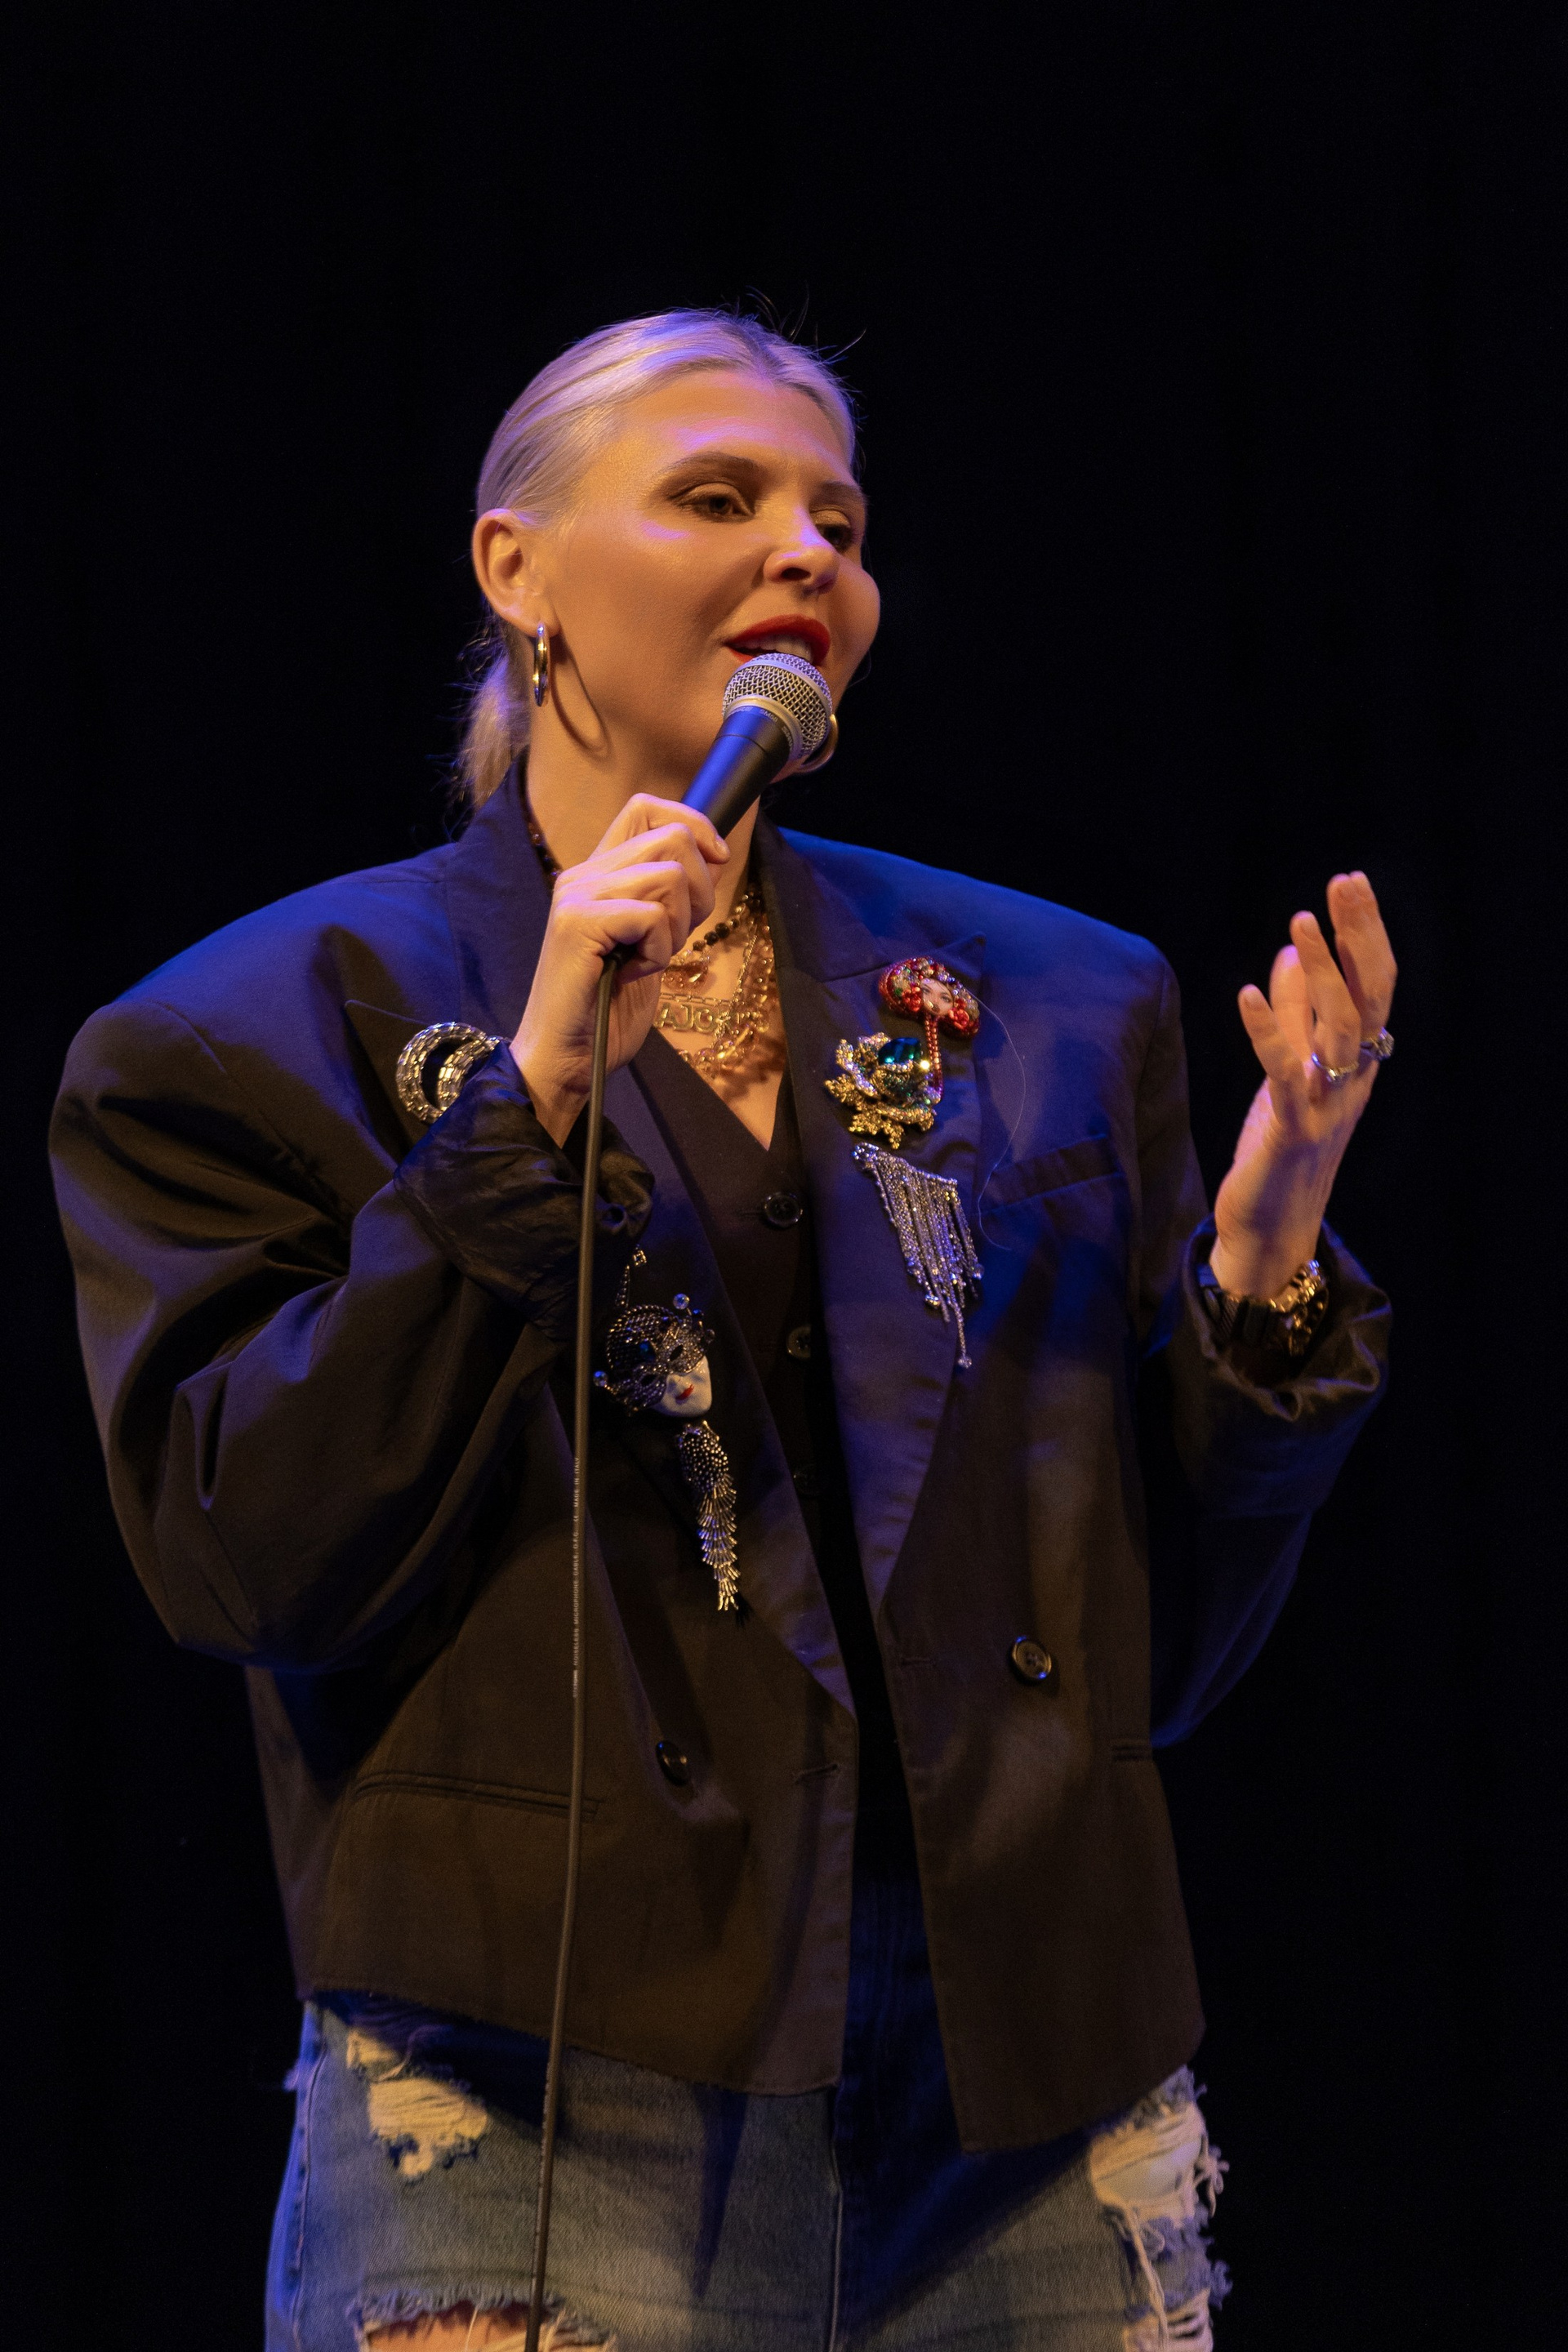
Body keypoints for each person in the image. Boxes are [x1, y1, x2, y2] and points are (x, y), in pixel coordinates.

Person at [51, 311, 1393, 2351]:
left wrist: (1263, 1259)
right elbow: (246, 1556)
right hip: (540, 2090)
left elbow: (1159, 1656)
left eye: (838, 520)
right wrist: (526, 1116)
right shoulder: (254, 1029)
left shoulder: (1053, 999)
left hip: (1027, 2102)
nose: (806, 555)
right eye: (717, 497)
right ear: (517, 570)